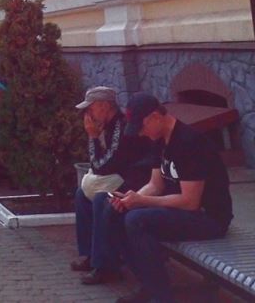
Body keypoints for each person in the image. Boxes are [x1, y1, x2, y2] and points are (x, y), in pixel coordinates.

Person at [109, 93, 233, 303]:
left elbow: (190, 201)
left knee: (136, 220)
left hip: (209, 217)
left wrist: (142, 202)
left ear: (156, 116)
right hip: (185, 211)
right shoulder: (159, 140)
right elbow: (156, 185)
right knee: (116, 212)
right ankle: (148, 285)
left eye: (141, 127)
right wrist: (132, 198)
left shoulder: (189, 142)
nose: (140, 133)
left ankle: (161, 296)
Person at [71, 87, 156, 287]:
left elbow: (103, 166)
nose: (87, 114)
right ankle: (90, 255)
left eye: (90, 108)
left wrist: (92, 138)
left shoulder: (121, 127)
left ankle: (104, 265)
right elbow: (99, 166)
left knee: (103, 199)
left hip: (137, 181)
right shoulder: (107, 126)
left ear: (104, 106)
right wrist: (94, 138)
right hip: (120, 177)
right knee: (82, 195)